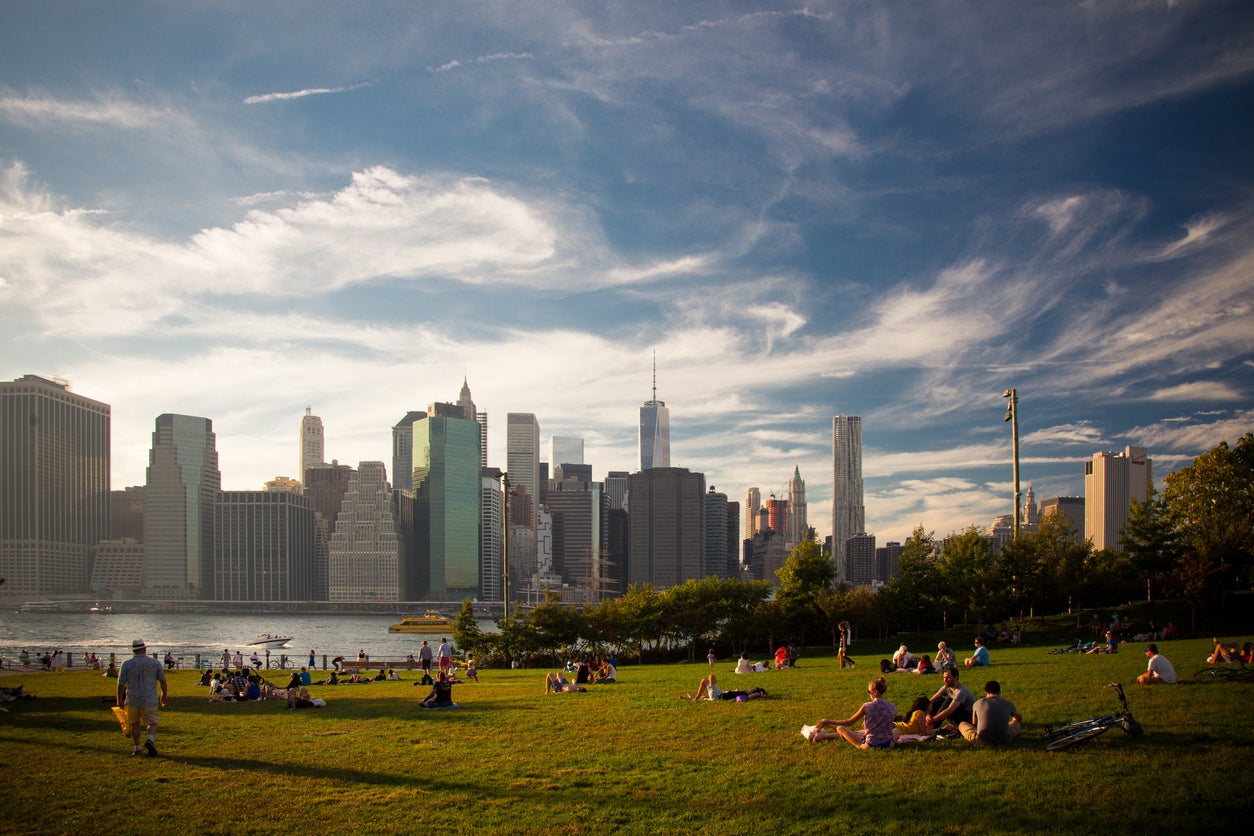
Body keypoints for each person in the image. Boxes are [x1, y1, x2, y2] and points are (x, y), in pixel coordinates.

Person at [808, 677, 898, 749]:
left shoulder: (867, 706)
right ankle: (825, 730)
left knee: (840, 729)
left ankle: (827, 726)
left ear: (875, 692)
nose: (868, 694)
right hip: (888, 744)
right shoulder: (892, 706)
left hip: (870, 745)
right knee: (897, 730)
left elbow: (849, 722)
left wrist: (828, 720)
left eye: (869, 692)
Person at [117, 638, 167, 757]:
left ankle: (137, 748)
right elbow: (163, 681)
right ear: (145, 649)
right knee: (153, 722)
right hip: (149, 699)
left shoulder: (127, 664)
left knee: (135, 724)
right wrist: (164, 695)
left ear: (134, 651)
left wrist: (119, 698)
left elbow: (121, 684)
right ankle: (150, 739)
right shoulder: (155, 663)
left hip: (132, 699)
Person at [958, 680, 1022, 746]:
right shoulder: (1007, 703)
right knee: (1017, 723)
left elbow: (974, 723)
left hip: (981, 741)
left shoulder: (977, 703)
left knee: (962, 724)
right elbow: (1019, 718)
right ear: (999, 692)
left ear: (985, 692)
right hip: (1004, 740)